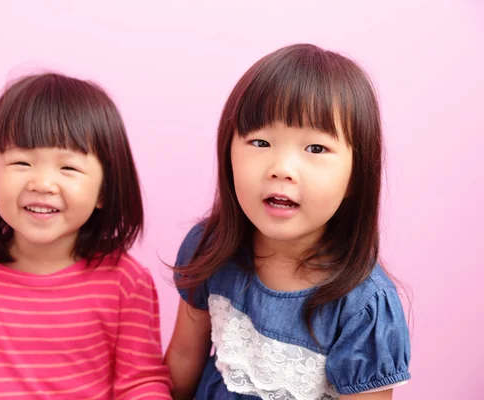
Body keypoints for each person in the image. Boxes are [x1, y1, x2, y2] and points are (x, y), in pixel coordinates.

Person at [165, 44, 411, 400]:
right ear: (228, 154)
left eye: (315, 149)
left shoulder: (364, 305)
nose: (281, 168)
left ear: (356, 177)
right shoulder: (210, 246)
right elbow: (184, 358)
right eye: (261, 142)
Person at [0, 72, 172, 399]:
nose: (42, 183)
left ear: (103, 190)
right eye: (21, 162)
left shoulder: (126, 283)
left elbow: (140, 384)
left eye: (68, 168)